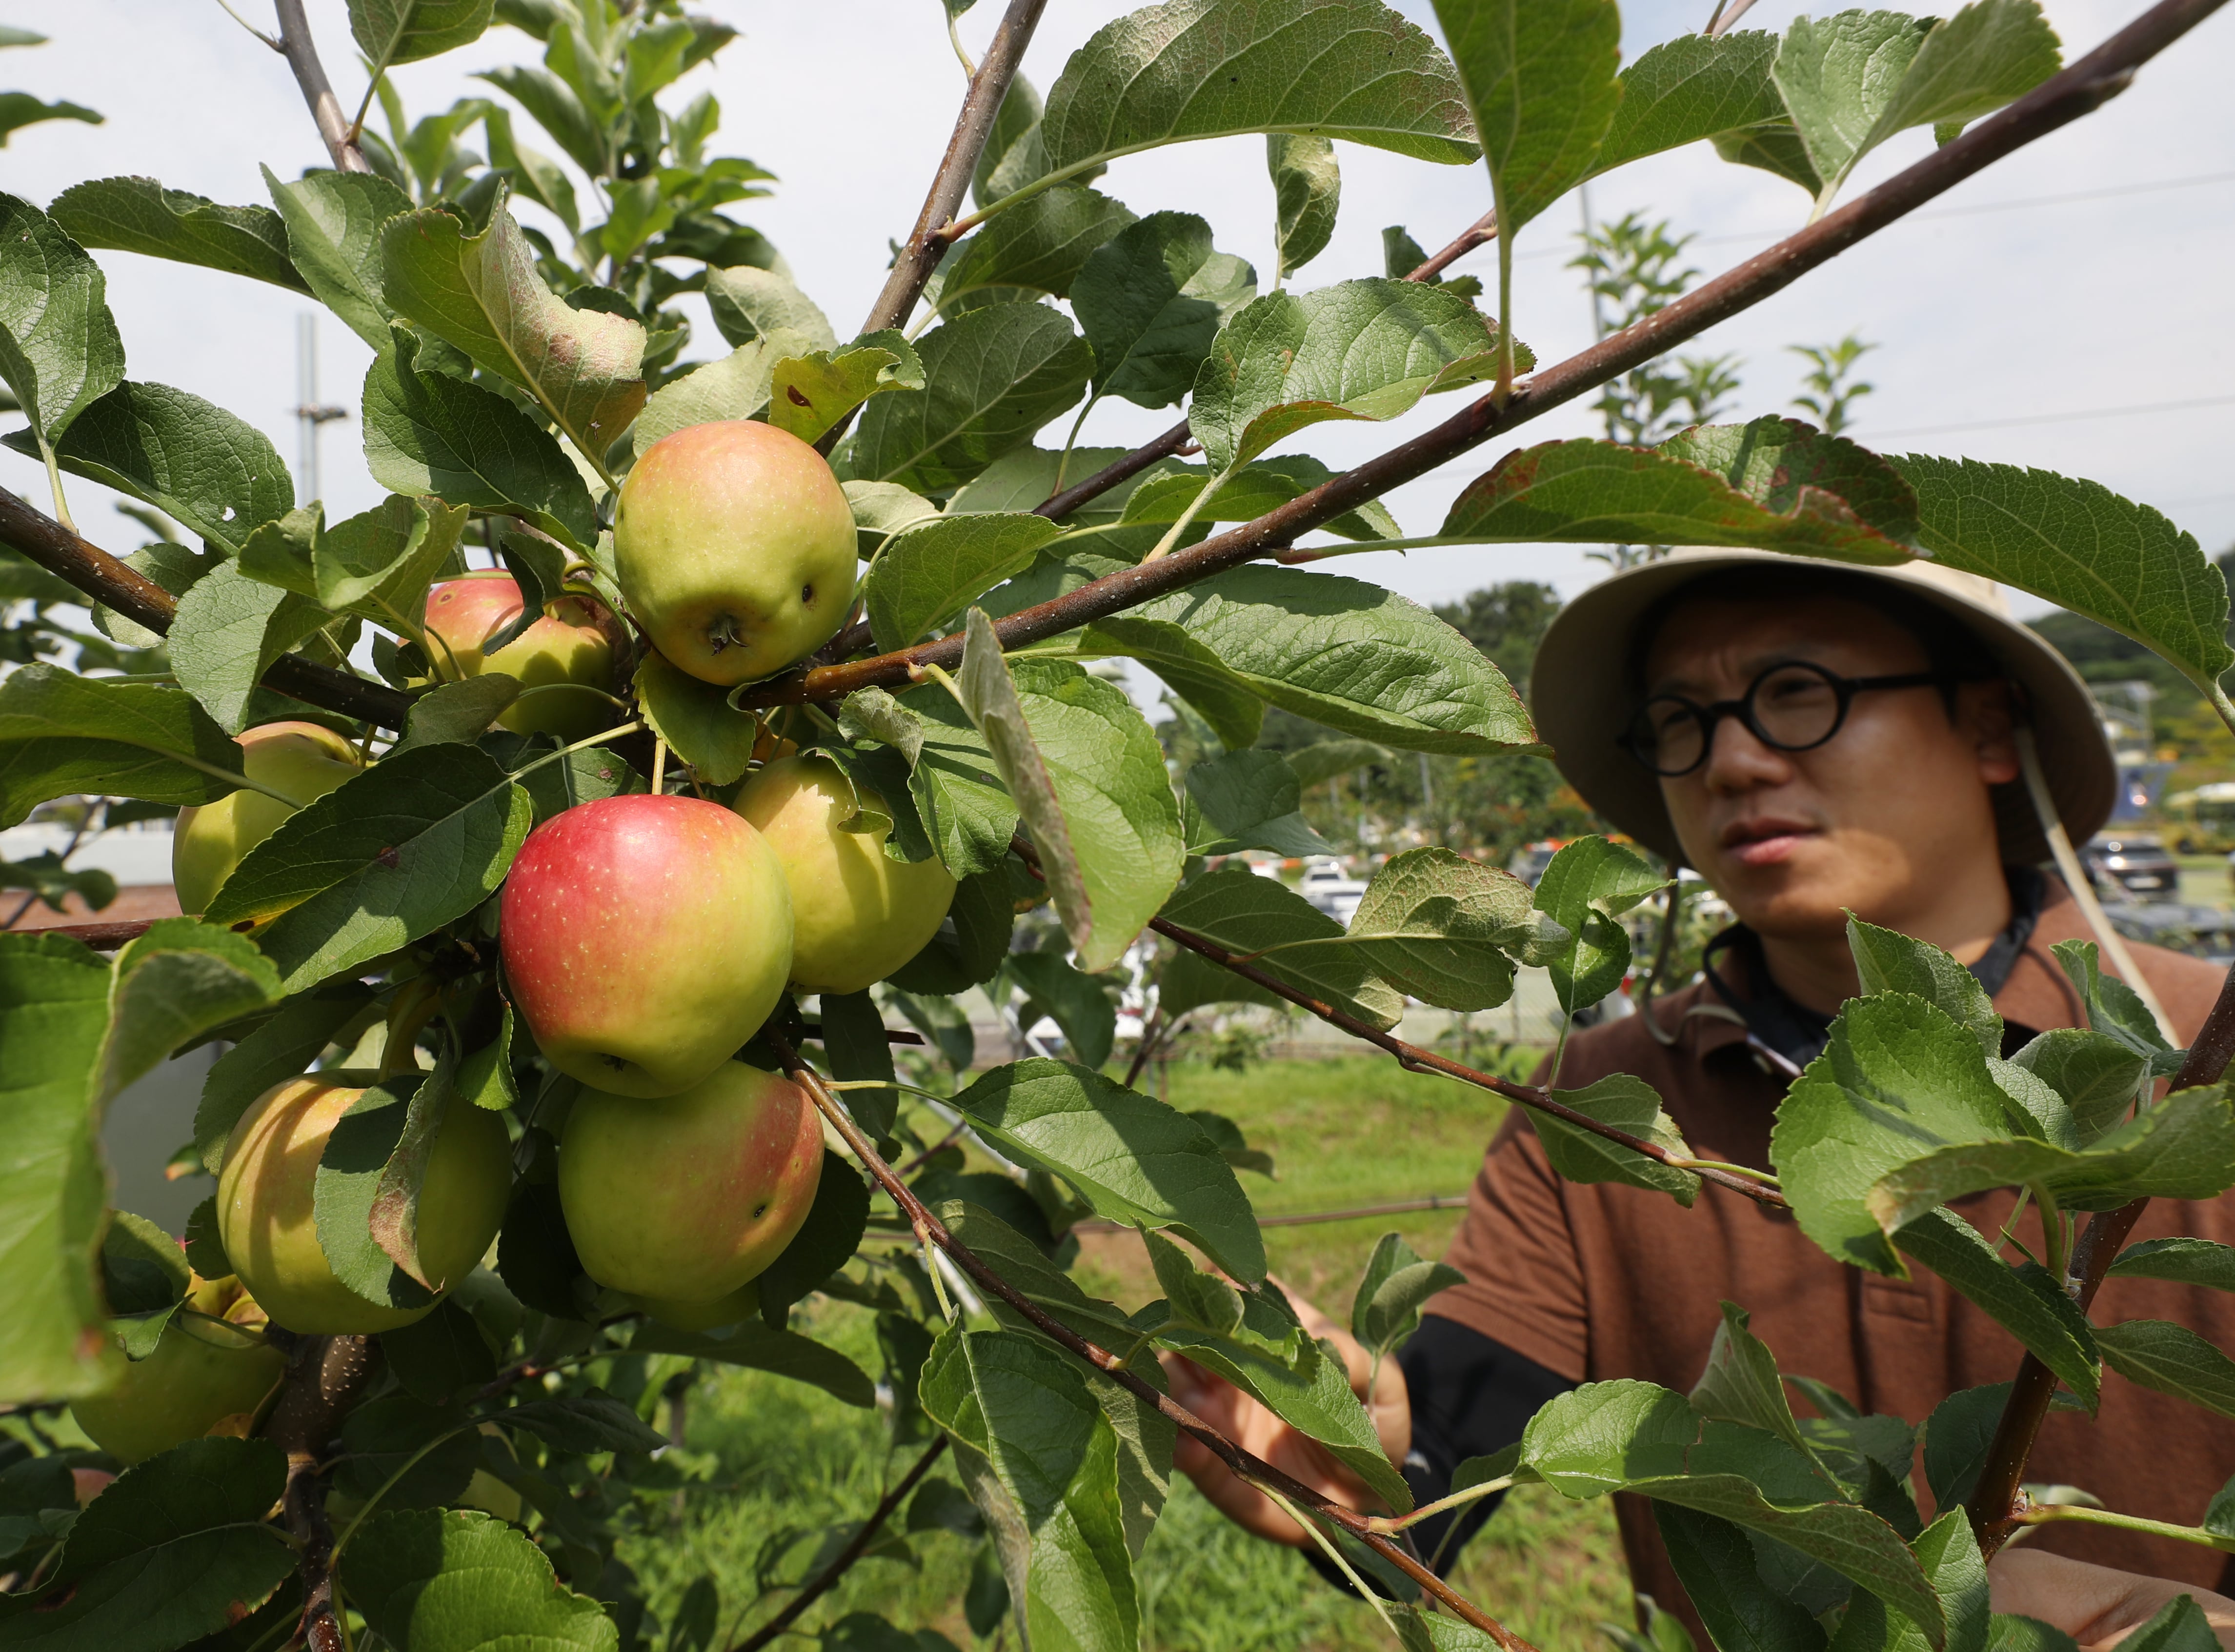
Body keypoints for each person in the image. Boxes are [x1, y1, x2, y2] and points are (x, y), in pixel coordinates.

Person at [1166, 552, 2235, 1643]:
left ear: (1989, 726)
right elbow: (1442, 1440)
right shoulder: (1602, 1104)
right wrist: (1352, 1452)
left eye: (1796, 693)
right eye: (1680, 718)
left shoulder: (2200, 1063)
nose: (1727, 758)